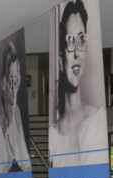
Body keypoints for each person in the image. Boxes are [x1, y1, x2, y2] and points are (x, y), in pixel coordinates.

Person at [50, 0, 107, 168]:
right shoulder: (54, 136)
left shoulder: (99, 120)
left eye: (81, 40)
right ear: (60, 61)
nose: (76, 53)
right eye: (70, 41)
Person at [0, 40, 31, 173]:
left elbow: (25, 159)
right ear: (3, 84)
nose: (13, 88)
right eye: (10, 81)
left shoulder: (17, 112)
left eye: (15, 81)